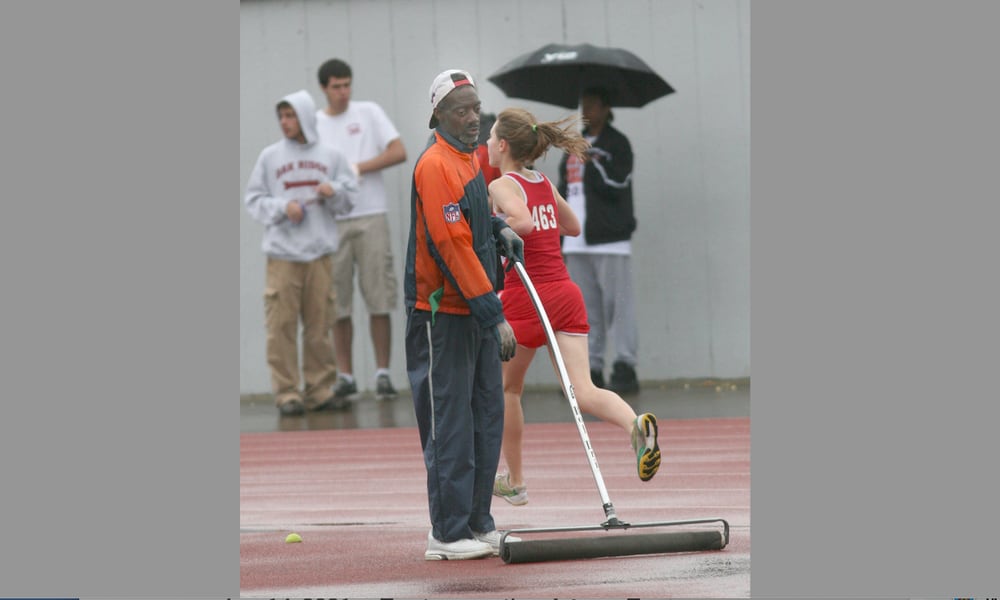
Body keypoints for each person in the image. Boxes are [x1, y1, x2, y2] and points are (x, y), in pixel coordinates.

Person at [485, 108, 661, 506]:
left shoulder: (500, 185)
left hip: (527, 296)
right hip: (566, 293)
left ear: (503, 145)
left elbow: (524, 223)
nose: (485, 145)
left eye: (490, 137)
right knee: (583, 390)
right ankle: (635, 426)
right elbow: (572, 227)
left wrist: (497, 229)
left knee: (507, 390)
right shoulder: (543, 181)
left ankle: (515, 480)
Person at [405, 69, 524, 560]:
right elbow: (451, 245)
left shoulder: (471, 160)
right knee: (450, 423)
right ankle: (447, 533)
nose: (474, 118)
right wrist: (493, 313)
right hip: (442, 317)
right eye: (462, 110)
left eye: (476, 108)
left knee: (486, 418)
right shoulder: (435, 165)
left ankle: (478, 522)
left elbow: (469, 220)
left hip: (473, 313)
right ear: (438, 115)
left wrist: (496, 226)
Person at [244, 90, 358, 416]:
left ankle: (320, 390)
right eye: (281, 116)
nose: (285, 122)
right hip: (282, 256)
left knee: (319, 325)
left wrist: (332, 190)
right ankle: (287, 393)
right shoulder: (269, 157)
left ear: (304, 116)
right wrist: (283, 207)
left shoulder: (332, 156)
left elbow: (350, 196)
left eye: (290, 116)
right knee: (280, 327)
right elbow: (253, 199)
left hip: (319, 254)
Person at [315, 58, 407, 404]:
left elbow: (398, 151)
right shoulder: (315, 123)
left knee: (378, 296)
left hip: (370, 215)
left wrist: (356, 168)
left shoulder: (368, 112)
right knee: (338, 302)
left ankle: (382, 373)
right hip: (332, 220)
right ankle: (346, 375)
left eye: (347, 85)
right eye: (336, 86)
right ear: (324, 88)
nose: (343, 92)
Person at [558, 86, 641, 394]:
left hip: (610, 239)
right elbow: (563, 190)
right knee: (585, 308)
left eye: (592, 104)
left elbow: (618, 183)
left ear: (606, 108)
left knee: (618, 305)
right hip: (577, 240)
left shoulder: (616, 144)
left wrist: (594, 163)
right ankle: (591, 368)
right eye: (583, 104)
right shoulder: (573, 145)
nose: (587, 109)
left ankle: (624, 364)